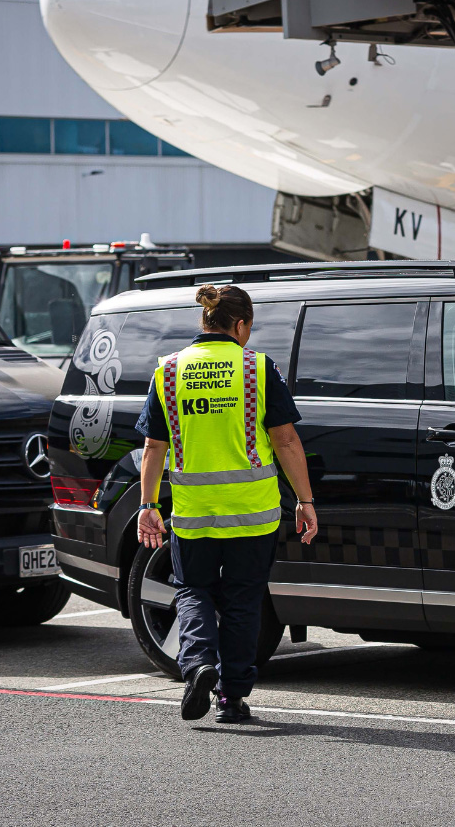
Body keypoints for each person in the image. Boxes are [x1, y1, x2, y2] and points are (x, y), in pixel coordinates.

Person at [135, 284, 318, 723]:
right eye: (249, 327)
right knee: (242, 601)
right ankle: (231, 698)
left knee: (193, 590)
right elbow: (286, 439)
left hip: (194, 512)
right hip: (252, 512)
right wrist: (305, 500)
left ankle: (198, 665)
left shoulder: (169, 370)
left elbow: (153, 446)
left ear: (206, 320)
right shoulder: (256, 368)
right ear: (239, 325)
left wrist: (147, 505)